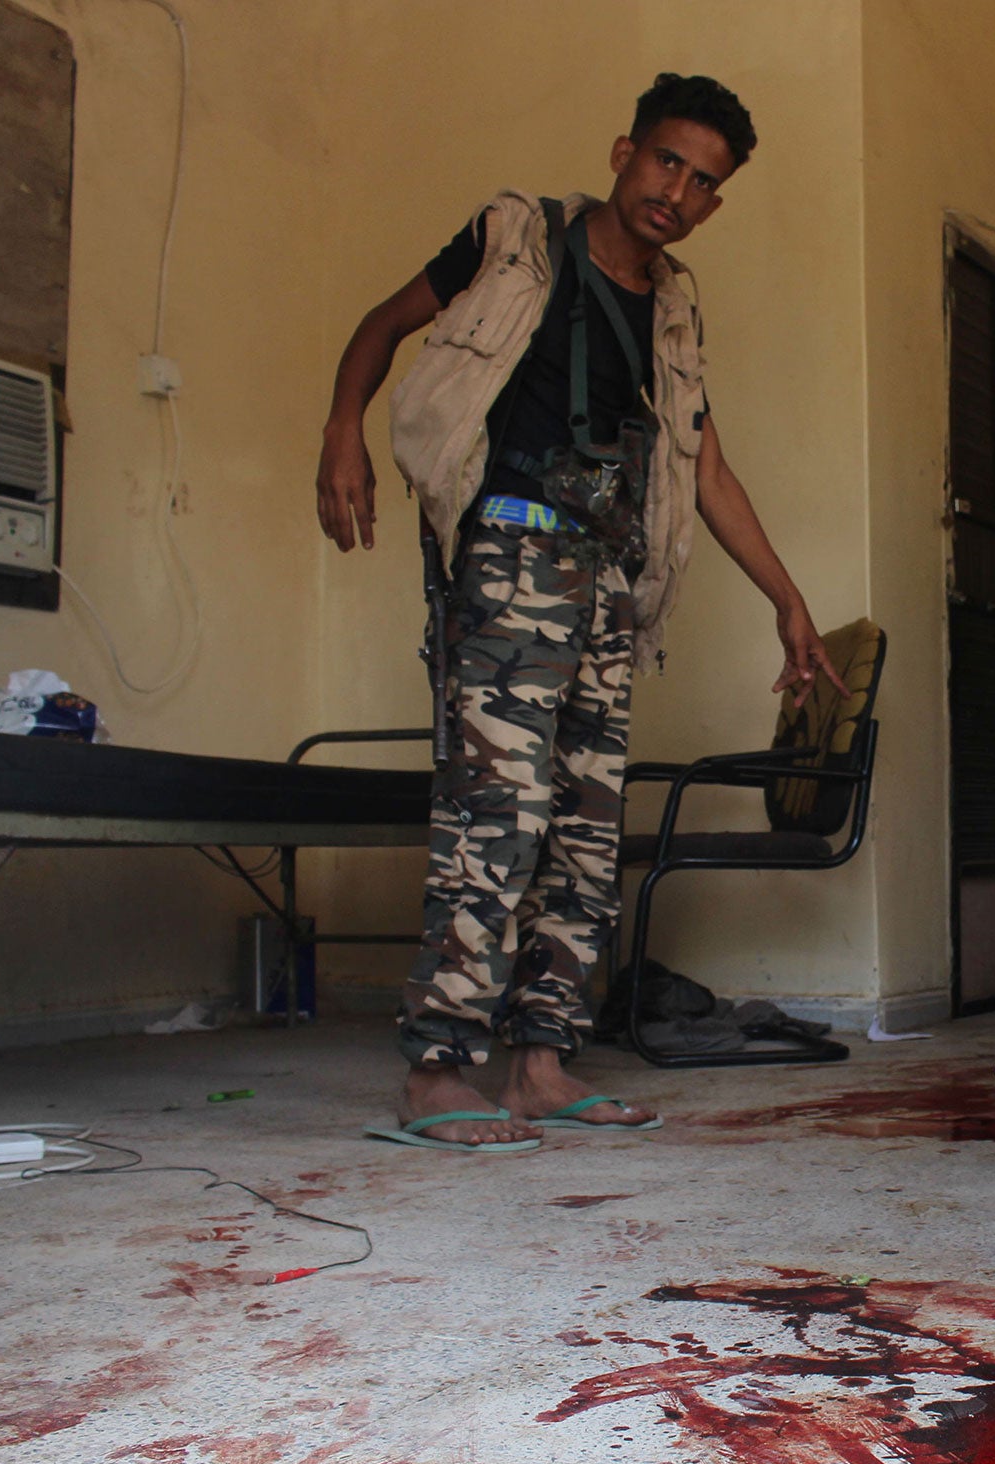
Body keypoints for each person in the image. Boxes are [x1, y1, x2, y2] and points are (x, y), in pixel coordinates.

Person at [315, 74, 844, 1148]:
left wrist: (790, 600)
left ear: (715, 204)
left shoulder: (677, 305)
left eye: (702, 183)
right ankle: (435, 1070)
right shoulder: (517, 236)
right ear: (622, 152)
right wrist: (340, 435)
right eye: (665, 163)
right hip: (509, 554)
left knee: (586, 836)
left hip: (610, 581)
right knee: (493, 818)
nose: (676, 191)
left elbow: (705, 468)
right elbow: (383, 323)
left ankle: (542, 1066)